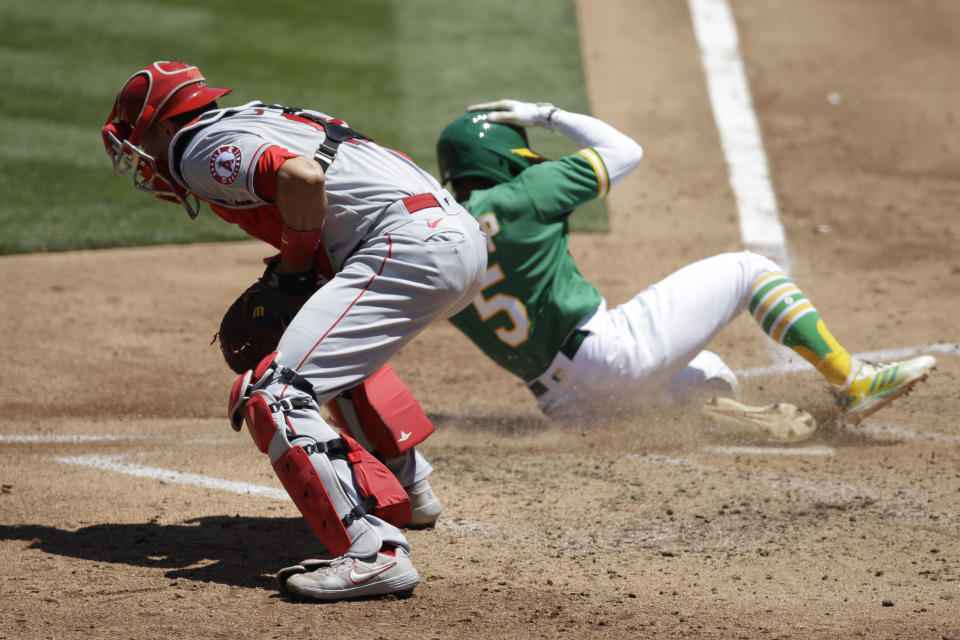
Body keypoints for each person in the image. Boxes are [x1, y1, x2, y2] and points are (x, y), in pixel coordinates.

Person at [102, 61, 488, 601]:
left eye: (142, 140)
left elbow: (302, 179)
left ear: (165, 126)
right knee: (326, 352)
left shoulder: (195, 150)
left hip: (407, 245)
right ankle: (405, 486)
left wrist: (297, 269)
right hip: (454, 237)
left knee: (275, 393)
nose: (143, 158)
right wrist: (303, 274)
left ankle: (372, 554)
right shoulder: (264, 117)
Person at [435, 99, 935, 429]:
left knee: (706, 374)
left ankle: (704, 417)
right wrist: (545, 113)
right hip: (612, 358)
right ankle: (852, 381)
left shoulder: (433, 247)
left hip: (569, 409)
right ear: (500, 156)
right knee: (749, 271)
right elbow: (625, 151)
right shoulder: (523, 196)